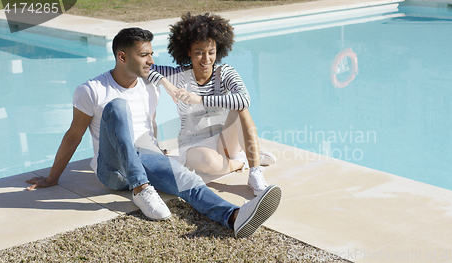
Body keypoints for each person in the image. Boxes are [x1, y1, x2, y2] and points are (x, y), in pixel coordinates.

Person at [25, 27, 282, 238]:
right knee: (118, 107)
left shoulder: (151, 86)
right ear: (122, 57)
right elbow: (74, 134)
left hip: (146, 157)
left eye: (151, 53)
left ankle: (234, 216)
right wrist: (53, 177)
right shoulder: (92, 90)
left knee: (187, 179)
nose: (151, 60)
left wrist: (159, 155)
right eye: (144, 55)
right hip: (113, 170)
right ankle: (140, 189)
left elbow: (149, 126)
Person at [148, 13, 276, 196]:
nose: (206, 59)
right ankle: (244, 160)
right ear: (188, 52)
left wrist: (199, 100)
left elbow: (244, 99)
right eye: (199, 52)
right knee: (209, 163)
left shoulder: (225, 73)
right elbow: (141, 67)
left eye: (211, 52)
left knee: (240, 107)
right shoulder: (177, 76)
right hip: (193, 144)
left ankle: (255, 173)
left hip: (225, 139)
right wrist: (165, 83)